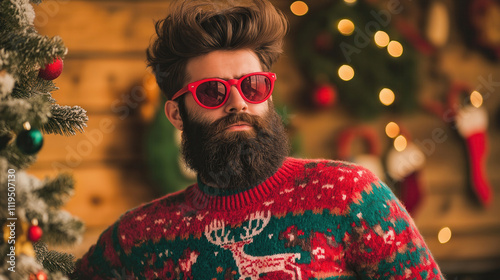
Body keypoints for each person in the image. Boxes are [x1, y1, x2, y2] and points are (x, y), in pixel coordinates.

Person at [72, 0, 445, 279]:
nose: (238, 103)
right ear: (176, 115)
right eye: (212, 92)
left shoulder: (351, 195)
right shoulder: (142, 235)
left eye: (252, 86)